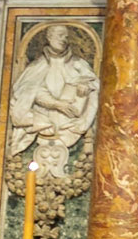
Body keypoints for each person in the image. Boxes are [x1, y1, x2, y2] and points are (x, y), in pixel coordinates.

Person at [7, 23, 99, 182]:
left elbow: (94, 84)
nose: (64, 39)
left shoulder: (79, 64)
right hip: (43, 121)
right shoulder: (37, 66)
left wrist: (86, 86)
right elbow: (27, 90)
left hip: (71, 123)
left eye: (66, 36)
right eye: (60, 35)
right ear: (49, 38)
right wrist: (56, 104)